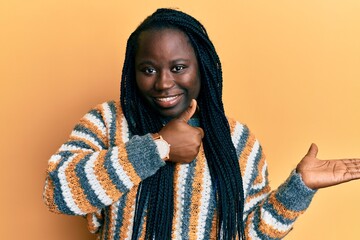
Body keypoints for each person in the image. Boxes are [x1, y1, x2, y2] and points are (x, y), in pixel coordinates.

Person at [43, 8, 360, 239]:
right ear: (133, 72)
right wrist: (158, 148)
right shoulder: (108, 121)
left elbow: (247, 234)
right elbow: (57, 193)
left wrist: (299, 189)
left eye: (179, 67)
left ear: (202, 68)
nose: (164, 83)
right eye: (148, 69)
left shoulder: (237, 141)